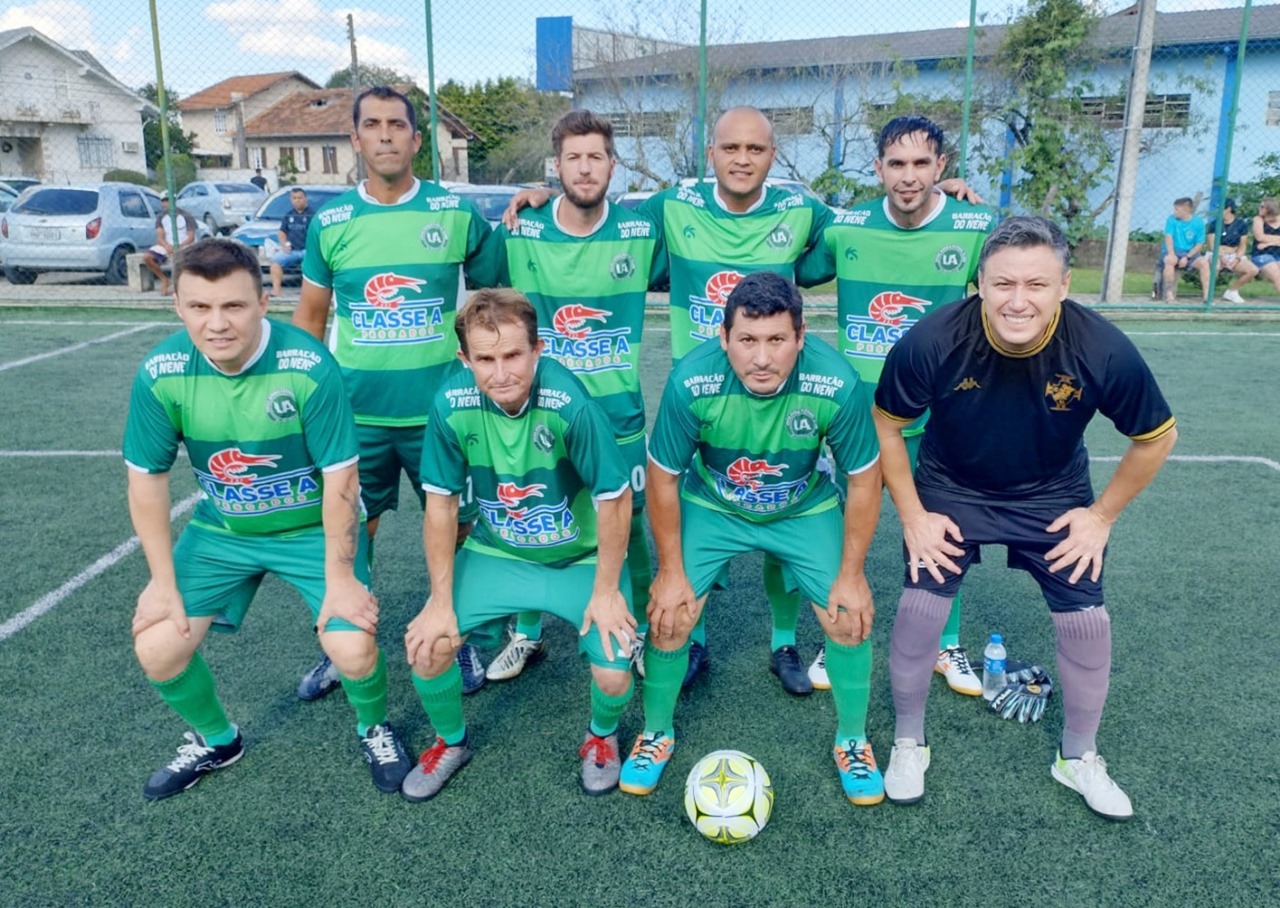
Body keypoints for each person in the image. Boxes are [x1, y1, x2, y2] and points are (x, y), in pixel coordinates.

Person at [873, 216, 1177, 820]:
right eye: (1003, 283)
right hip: (952, 485)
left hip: (1051, 491)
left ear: (1064, 285)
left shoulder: (1102, 349)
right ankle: (909, 742)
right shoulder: (933, 340)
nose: (1018, 301)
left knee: (1086, 615)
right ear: (978, 285)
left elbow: (1156, 438)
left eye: (1036, 285)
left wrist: (1100, 517)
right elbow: (886, 424)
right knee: (919, 606)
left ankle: (1078, 757)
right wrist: (911, 515)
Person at [123, 237, 411, 801]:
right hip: (222, 530)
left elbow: (342, 483)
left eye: (233, 306)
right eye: (200, 308)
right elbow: (147, 481)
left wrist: (342, 577)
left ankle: (374, 725)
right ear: (177, 306)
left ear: (263, 300)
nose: (217, 324)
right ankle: (217, 740)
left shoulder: (308, 367)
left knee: (349, 644)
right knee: (158, 646)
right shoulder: (160, 373)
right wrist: (161, 584)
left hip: (309, 530)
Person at [619, 271, 885, 806]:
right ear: (724, 338)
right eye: (747, 340)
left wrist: (853, 576)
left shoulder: (835, 381)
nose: (761, 358)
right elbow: (664, 477)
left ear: (800, 336)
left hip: (802, 507)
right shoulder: (691, 380)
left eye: (776, 340)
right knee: (669, 617)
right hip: (714, 505)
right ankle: (656, 733)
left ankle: (852, 740)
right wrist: (671, 573)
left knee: (848, 617)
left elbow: (864, 478)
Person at [292, 86, 498, 700]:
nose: (385, 135)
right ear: (354, 139)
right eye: (372, 125)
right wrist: (311, 399)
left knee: (462, 526)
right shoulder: (331, 222)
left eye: (397, 125)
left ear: (417, 139)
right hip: (358, 417)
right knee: (355, 529)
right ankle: (345, 638)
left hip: (443, 414)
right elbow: (309, 319)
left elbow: (491, 307)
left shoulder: (456, 213)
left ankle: (463, 637)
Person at [401, 288, 636, 800]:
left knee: (615, 671)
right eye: (485, 359)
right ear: (465, 358)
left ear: (538, 349)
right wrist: (438, 603)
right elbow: (440, 506)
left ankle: (600, 737)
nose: (500, 372)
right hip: (499, 552)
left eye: (512, 355)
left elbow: (615, 499)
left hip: (580, 556)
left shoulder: (569, 402)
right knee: (428, 647)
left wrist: (607, 590)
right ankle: (451, 742)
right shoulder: (451, 403)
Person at [797, 115, 993, 696]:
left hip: (941, 415)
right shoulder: (847, 227)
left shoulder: (976, 227)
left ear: (943, 168)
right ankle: (838, 637)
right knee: (838, 529)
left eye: (921, 164)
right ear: (878, 168)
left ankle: (945, 643)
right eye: (896, 164)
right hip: (859, 414)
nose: (908, 177)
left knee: (943, 529)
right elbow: (795, 267)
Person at [476, 109, 667, 684]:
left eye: (597, 157)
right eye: (573, 158)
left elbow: (705, 207)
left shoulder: (642, 230)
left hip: (617, 418)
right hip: (537, 415)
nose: (586, 168)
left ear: (613, 164)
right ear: (555, 165)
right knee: (531, 514)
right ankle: (527, 633)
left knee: (628, 525)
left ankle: (627, 628)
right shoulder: (521, 229)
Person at [143, 193, 197, 296]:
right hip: (166, 246)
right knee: (147, 257)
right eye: (164, 200)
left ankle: (180, 286)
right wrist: (167, 246)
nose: (167, 203)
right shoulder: (161, 217)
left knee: (179, 258)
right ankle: (164, 280)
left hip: (184, 245)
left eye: (169, 200)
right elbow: (160, 237)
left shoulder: (186, 215)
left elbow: (191, 237)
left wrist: (179, 247)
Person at [1206, 197, 1259, 303]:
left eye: (1220, 208)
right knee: (1215, 267)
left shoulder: (1241, 224)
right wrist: (1221, 256)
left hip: (1233, 254)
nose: (1217, 211)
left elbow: (1242, 245)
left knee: (1253, 270)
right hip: (1216, 253)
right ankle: (1208, 296)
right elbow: (1211, 245)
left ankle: (1232, 292)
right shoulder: (1214, 224)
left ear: (1228, 209)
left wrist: (1238, 258)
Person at [1160, 196, 1208, 303]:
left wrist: (1187, 257)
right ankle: (1169, 296)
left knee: (1204, 263)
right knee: (1169, 260)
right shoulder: (1171, 219)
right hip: (1174, 251)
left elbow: (1199, 244)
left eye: (1177, 209)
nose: (1174, 212)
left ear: (1186, 209)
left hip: (1189, 253)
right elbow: (1168, 238)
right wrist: (1172, 253)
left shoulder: (1198, 222)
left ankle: (1207, 297)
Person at [269, 187, 313, 297]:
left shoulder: (313, 214)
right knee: (275, 263)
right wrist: (284, 244)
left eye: (300, 198)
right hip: (292, 250)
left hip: (308, 250)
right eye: (294, 198)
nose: (297, 200)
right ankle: (276, 291)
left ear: (305, 198)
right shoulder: (289, 215)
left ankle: (307, 294)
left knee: (308, 266)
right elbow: (282, 232)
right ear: (291, 200)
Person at [1251, 197, 1280, 294]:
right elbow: (1259, 237)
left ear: (1270, 208)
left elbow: (1264, 238)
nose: (1260, 208)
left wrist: (1269, 243)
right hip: (1262, 254)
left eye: (1262, 207)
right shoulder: (1258, 220)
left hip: (1278, 254)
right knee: (1277, 275)